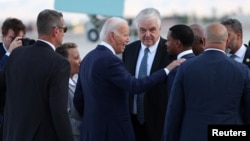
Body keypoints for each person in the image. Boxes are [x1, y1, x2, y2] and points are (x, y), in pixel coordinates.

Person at [73, 17, 185, 141]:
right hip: (112, 132)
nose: (128, 39)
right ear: (112, 36)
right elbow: (135, 85)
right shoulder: (110, 60)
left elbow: (78, 99)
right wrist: (167, 70)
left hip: (91, 130)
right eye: (125, 35)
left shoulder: (88, 57)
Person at [162, 22, 250, 141]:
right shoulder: (243, 71)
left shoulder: (185, 68)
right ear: (227, 42)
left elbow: (174, 111)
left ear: (203, 41)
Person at [0, 9, 73, 141]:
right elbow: (59, 113)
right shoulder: (59, 63)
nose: (64, 33)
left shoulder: (16, 54)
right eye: (64, 29)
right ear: (56, 31)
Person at [122, 8, 176, 141]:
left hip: (158, 123)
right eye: (142, 30)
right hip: (131, 122)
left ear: (160, 28)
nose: (147, 34)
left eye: (152, 30)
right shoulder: (129, 50)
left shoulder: (170, 51)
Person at [56, 42, 82, 141]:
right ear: (64, 61)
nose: (80, 61)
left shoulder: (75, 81)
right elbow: (65, 118)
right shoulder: (61, 86)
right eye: (76, 58)